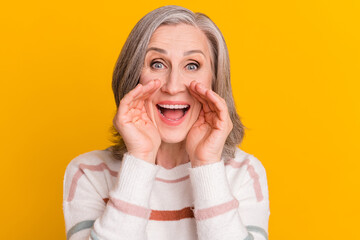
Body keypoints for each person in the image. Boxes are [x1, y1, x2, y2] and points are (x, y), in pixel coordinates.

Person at [63, 5, 270, 240]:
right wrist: (140, 158)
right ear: (133, 76)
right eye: (157, 64)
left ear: (214, 82)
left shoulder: (245, 173)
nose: (173, 86)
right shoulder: (89, 172)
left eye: (192, 65)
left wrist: (206, 165)